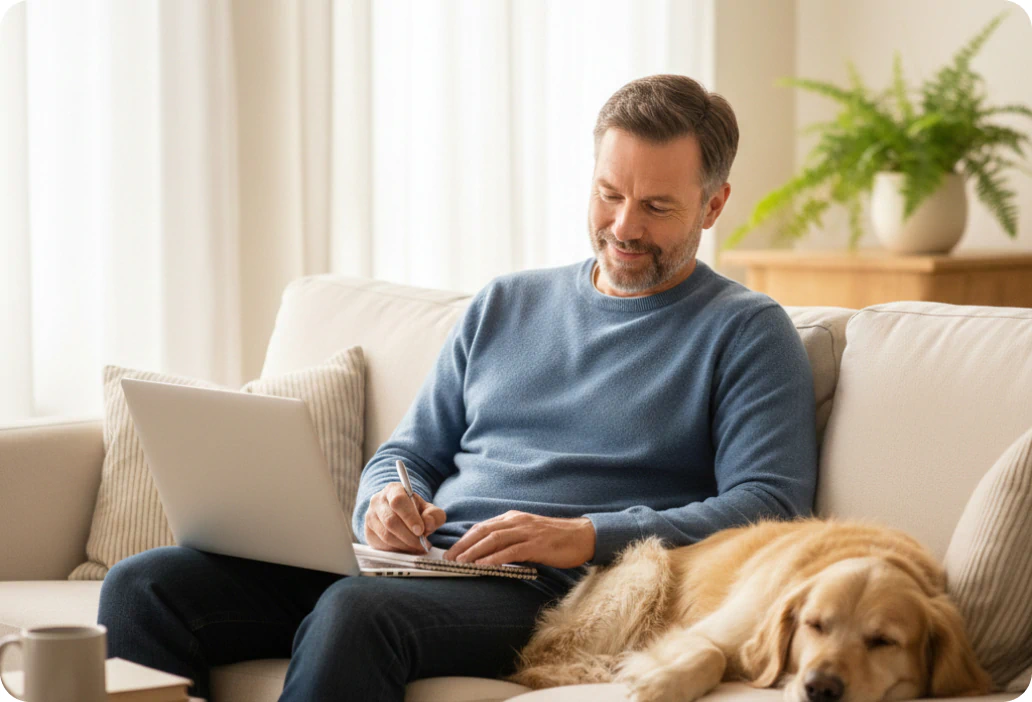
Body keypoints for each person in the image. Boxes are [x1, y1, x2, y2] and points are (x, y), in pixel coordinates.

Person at [98, 73, 818, 702]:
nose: (623, 226)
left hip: (558, 592)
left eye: (657, 207)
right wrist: (383, 503)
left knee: (358, 612)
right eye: (608, 195)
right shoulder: (505, 303)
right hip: (417, 564)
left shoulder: (746, 330)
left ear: (714, 205)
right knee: (146, 586)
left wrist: (586, 536)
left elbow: (772, 507)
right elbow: (406, 451)